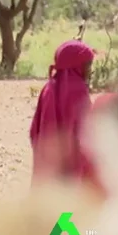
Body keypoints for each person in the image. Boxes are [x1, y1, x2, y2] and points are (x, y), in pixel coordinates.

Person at [29, 39, 95, 185]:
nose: (90, 70)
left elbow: (35, 130)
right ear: (76, 65)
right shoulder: (77, 90)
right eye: (87, 65)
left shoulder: (48, 88)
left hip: (49, 157)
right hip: (72, 158)